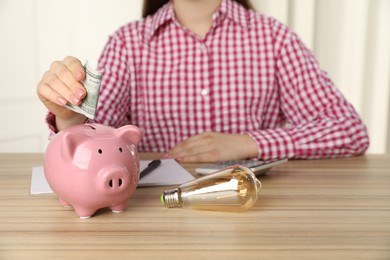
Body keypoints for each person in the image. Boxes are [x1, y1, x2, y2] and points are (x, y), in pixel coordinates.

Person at [37, 0, 369, 163]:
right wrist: (68, 115)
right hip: (153, 218)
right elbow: (94, 143)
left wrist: (247, 143)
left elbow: (350, 130)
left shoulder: (273, 37)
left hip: (258, 212)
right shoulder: (127, 43)